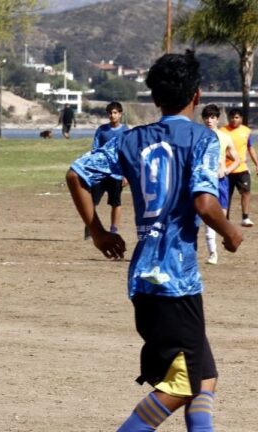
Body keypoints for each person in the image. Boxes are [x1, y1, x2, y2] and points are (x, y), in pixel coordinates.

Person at [66, 50, 242, 431]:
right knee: (181, 386)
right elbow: (205, 202)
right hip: (174, 283)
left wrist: (98, 232)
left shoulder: (131, 139)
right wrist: (231, 232)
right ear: (196, 95)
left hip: (145, 279)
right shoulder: (202, 138)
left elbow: (77, 174)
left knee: (204, 377)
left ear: (155, 98)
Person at [201, 104, 241, 265]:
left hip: (220, 181)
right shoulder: (199, 136)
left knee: (220, 216)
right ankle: (213, 253)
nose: (209, 120)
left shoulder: (224, 137)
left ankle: (225, 238)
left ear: (217, 119)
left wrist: (226, 170)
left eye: (212, 117)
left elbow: (237, 159)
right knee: (206, 217)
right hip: (203, 180)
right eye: (206, 117)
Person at [84, 101, 129, 240]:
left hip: (117, 174)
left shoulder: (126, 131)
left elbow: (128, 153)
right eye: (110, 113)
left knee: (116, 202)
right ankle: (90, 227)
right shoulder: (102, 130)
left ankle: (114, 229)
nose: (112, 115)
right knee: (92, 201)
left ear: (120, 114)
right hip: (101, 172)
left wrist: (126, 175)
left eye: (115, 113)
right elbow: (94, 150)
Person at [219, 108, 258, 227]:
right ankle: (225, 219)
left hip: (242, 169)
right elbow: (220, 149)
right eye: (232, 117)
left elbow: (250, 147)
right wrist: (231, 158)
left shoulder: (246, 131)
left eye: (236, 117)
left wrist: (256, 163)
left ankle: (245, 218)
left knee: (246, 192)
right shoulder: (222, 131)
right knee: (227, 195)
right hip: (226, 169)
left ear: (241, 119)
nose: (234, 120)